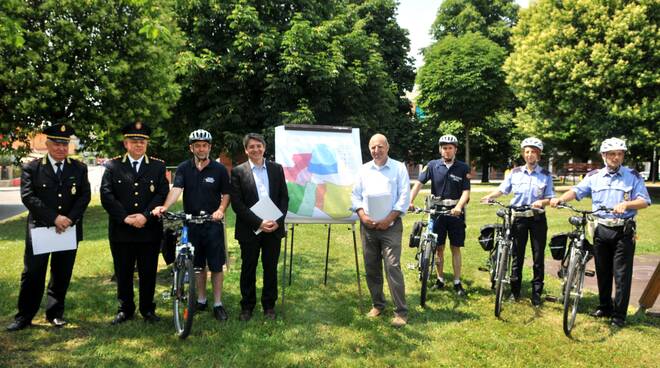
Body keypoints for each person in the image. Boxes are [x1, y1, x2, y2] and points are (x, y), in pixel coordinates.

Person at [550, 137, 651, 328]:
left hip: (623, 231)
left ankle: (619, 316)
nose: (616, 157)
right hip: (601, 229)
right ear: (604, 155)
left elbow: (644, 201)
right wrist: (561, 199)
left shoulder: (633, 176)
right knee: (602, 271)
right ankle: (605, 307)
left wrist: (627, 204)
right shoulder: (594, 176)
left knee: (621, 274)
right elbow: (577, 191)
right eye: (612, 154)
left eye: (619, 154)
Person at [7, 124, 91, 331]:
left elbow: (84, 196)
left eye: (65, 144)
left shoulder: (79, 168)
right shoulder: (32, 168)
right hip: (41, 229)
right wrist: (55, 218)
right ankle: (24, 316)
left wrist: (68, 219)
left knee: (61, 273)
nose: (61, 148)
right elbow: (28, 197)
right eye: (56, 143)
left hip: (68, 229)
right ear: (47, 144)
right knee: (33, 273)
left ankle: (55, 313)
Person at [153, 129, 231, 321]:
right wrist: (164, 206)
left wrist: (221, 210)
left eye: (204, 145)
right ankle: (202, 299)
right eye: (197, 145)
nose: (201, 148)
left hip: (212, 223)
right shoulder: (184, 168)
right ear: (192, 148)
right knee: (197, 265)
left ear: (209, 147)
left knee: (216, 266)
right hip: (192, 223)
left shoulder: (219, 169)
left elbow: (227, 193)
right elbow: (177, 189)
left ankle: (218, 303)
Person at [100, 121, 169, 324]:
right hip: (122, 229)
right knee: (123, 271)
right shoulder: (113, 166)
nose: (139, 145)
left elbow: (161, 193)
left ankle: (147, 309)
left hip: (149, 229)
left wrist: (145, 215)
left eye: (142, 141)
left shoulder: (157, 166)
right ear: (125, 143)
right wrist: (125, 217)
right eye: (134, 141)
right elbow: (106, 194)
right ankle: (125, 309)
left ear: (146, 144)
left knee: (148, 271)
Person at [481, 137, 553, 306]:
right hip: (519, 218)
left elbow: (551, 197)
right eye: (527, 152)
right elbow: (503, 190)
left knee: (538, 257)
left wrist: (541, 202)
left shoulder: (545, 175)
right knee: (516, 256)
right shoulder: (514, 173)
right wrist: (490, 196)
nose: (530, 155)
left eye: (533, 152)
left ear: (539, 155)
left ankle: (536, 293)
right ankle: (515, 291)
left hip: (537, 219)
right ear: (523, 154)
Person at [352, 134, 410, 327]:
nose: (376, 151)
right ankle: (378, 304)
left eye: (380, 147)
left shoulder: (398, 168)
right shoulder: (363, 170)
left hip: (391, 227)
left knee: (392, 267)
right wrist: (362, 216)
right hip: (368, 227)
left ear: (388, 147)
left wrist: (388, 220)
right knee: (371, 267)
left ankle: (401, 312)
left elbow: (404, 197)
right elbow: (356, 196)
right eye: (373, 147)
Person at [231, 133, 289, 321]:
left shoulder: (276, 169)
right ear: (246, 150)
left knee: (270, 268)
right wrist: (259, 223)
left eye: (259, 146)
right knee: (248, 268)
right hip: (249, 229)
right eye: (251, 146)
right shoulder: (238, 171)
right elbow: (237, 204)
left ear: (264, 147)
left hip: (273, 229)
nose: (256, 149)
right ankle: (247, 306)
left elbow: (283, 198)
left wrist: (275, 222)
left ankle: (269, 306)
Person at [409, 134, 470, 296]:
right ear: (440, 149)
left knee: (455, 247)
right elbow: (418, 184)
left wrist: (459, 206)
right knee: (439, 248)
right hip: (437, 212)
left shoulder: (463, 168)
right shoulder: (432, 165)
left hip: (455, 212)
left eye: (450, 148)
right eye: (444, 148)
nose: (447, 151)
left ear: (455, 149)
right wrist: (410, 200)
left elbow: (466, 192)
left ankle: (457, 282)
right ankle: (440, 279)